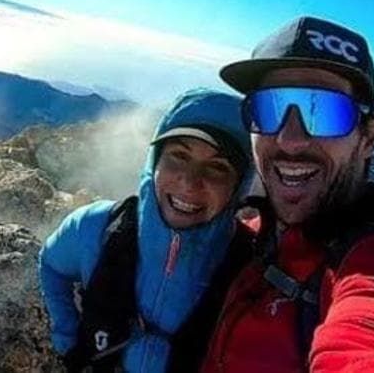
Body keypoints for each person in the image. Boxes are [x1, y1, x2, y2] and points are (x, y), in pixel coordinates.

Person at [198, 17, 374, 373]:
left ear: (369, 137)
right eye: (268, 109)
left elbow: (373, 343)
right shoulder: (250, 235)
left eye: (324, 112)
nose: (290, 140)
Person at [38, 88, 253, 373]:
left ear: (238, 187)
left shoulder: (251, 270)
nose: (189, 182)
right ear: (155, 162)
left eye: (217, 167)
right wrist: (67, 339)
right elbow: (51, 265)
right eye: (179, 156)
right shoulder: (97, 227)